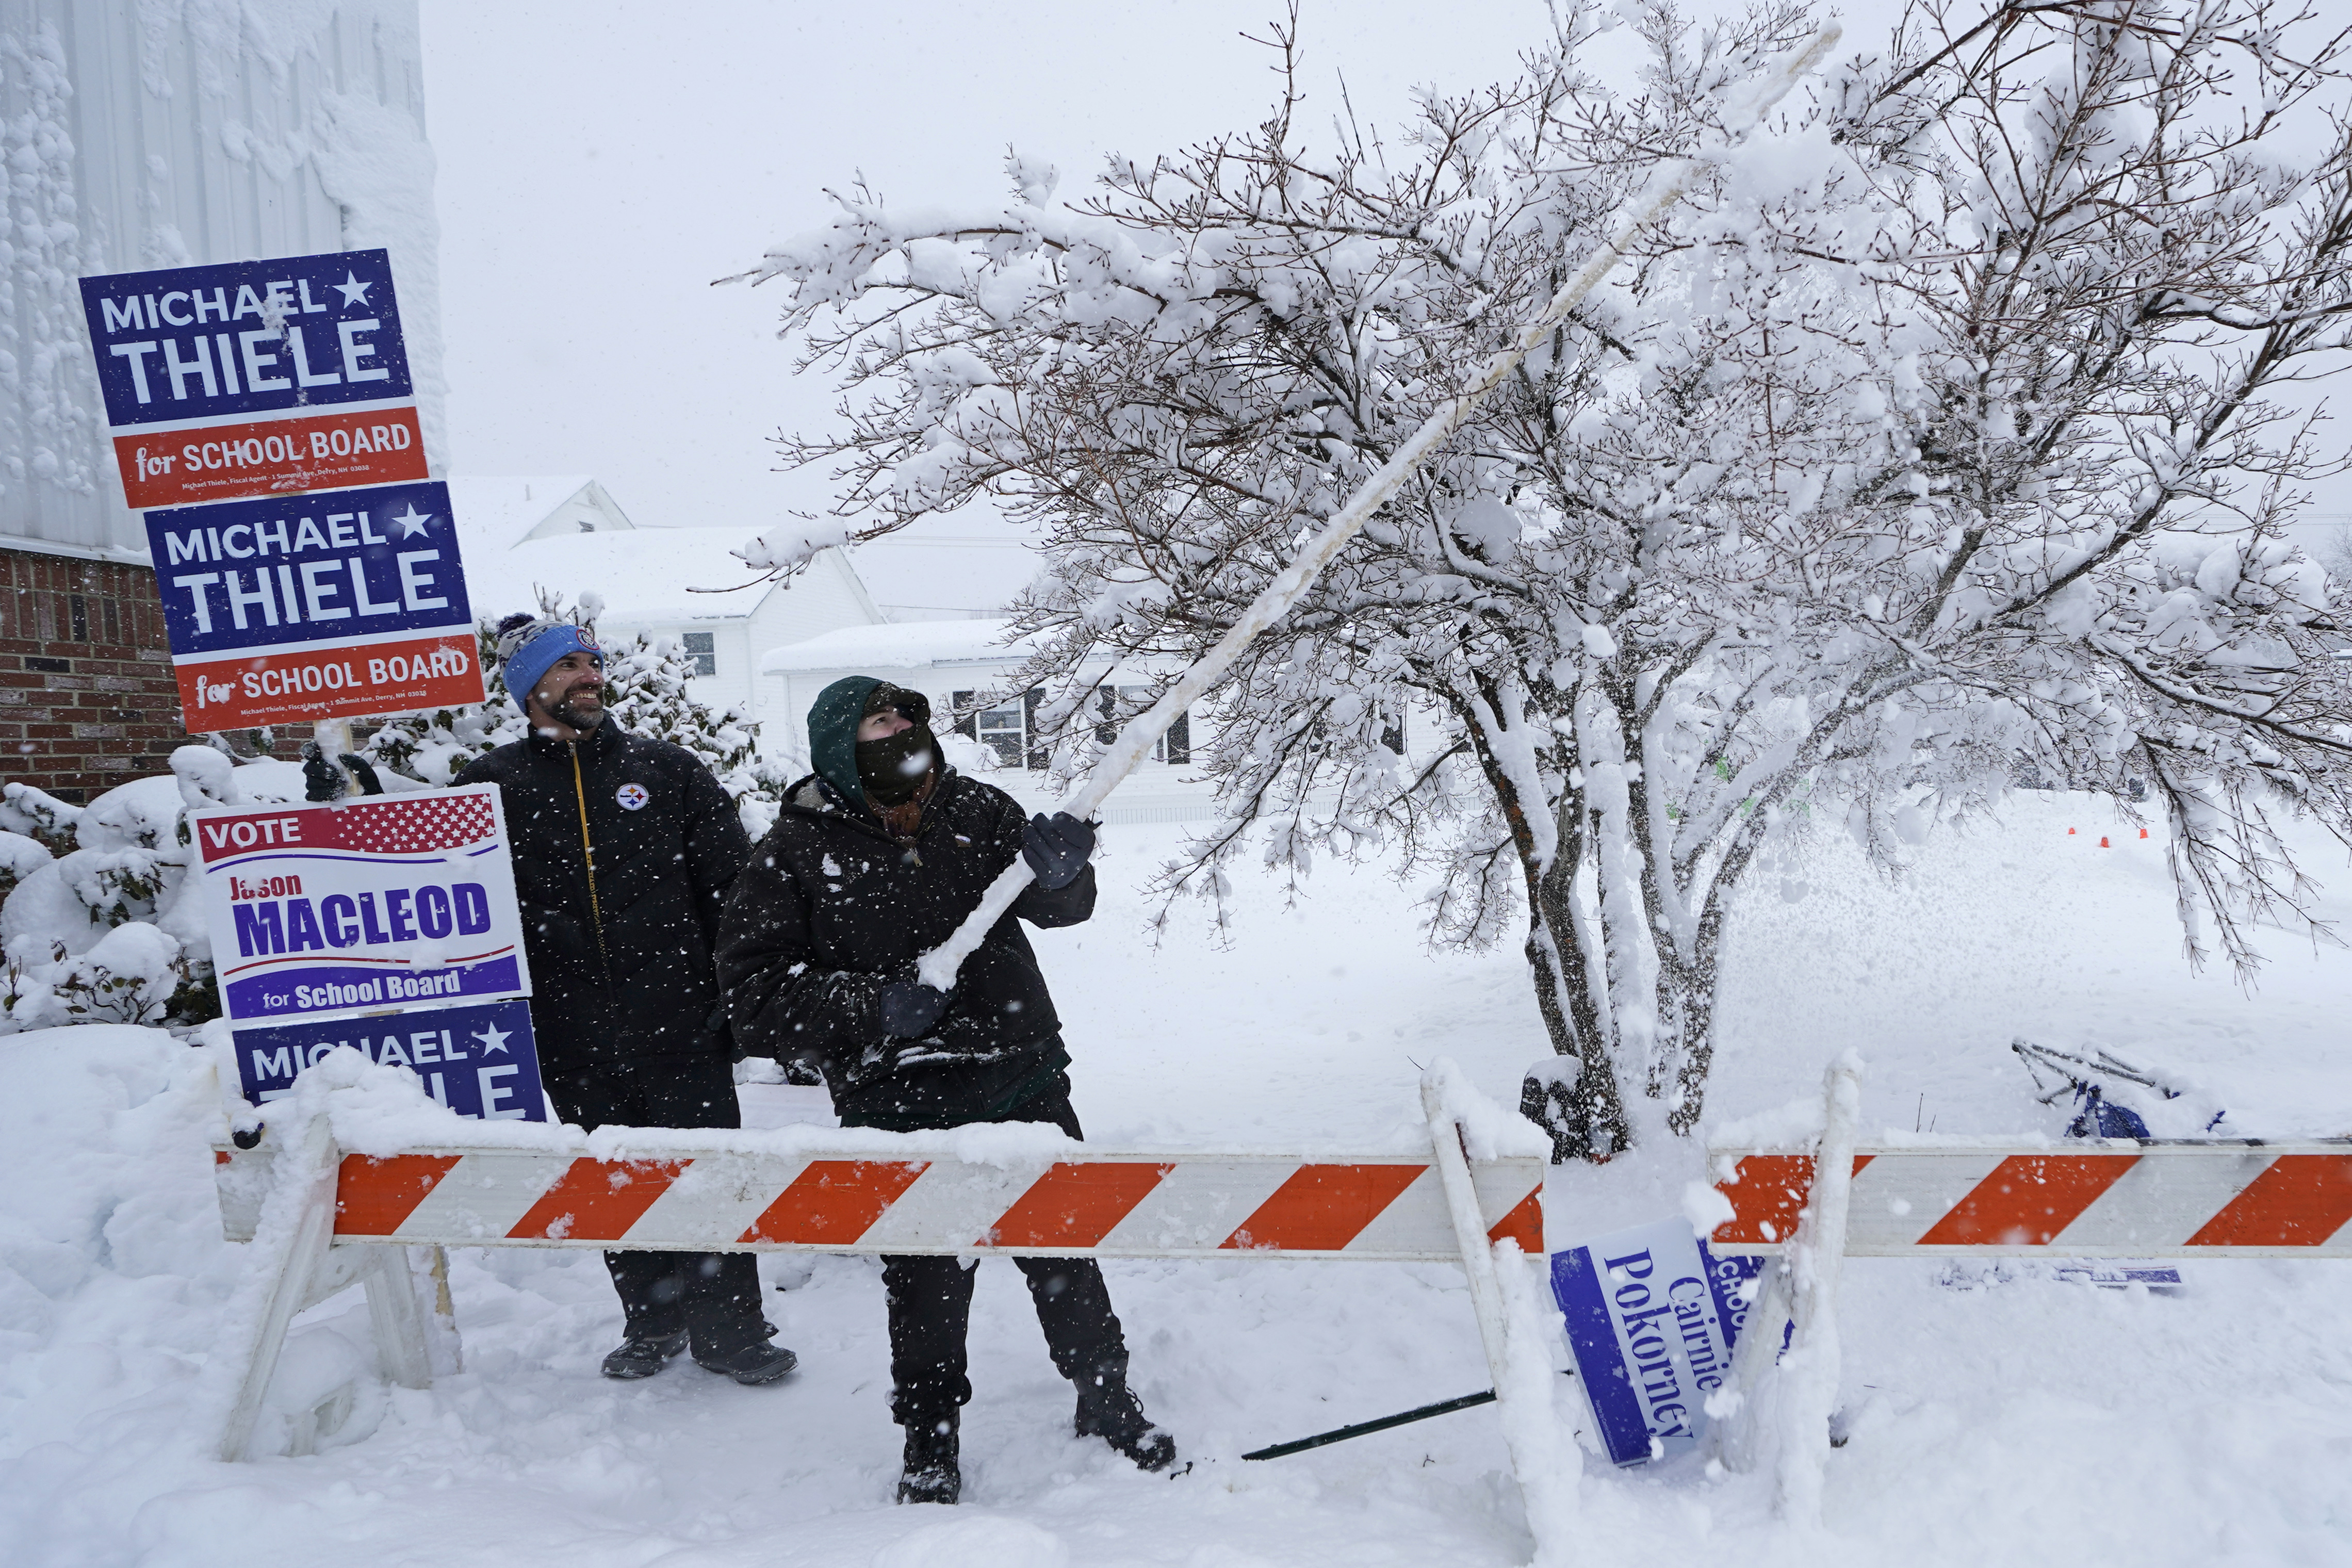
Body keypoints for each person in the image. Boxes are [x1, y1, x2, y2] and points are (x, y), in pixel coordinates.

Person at [716, 678, 1175, 1504]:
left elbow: (1059, 909)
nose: (900, 732)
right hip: (897, 1097)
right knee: (926, 1275)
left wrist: (1065, 876)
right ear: (837, 748)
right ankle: (930, 1437)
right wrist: (875, 1003)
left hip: (1018, 1070)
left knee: (1062, 1246)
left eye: (907, 719)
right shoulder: (794, 849)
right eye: (877, 723)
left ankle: (1105, 1396)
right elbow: (754, 1002)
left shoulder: (979, 809)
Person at [456, 613, 797, 1386]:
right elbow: (443, 901)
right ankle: (654, 1319)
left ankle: (732, 1334)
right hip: (568, 1031)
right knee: (615, 1179)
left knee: (705, 1173)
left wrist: (734, 998)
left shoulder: (667, 770)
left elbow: (734, 893)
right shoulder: (490, 785)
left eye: (592, 663)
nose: (588, 677)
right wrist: (358, 809)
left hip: (681, 1019)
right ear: (529, 688)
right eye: (567, 665)